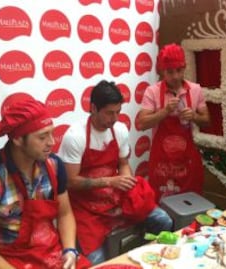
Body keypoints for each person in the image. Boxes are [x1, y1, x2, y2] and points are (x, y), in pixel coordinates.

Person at [0, 98, 89, 269]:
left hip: (48, 249)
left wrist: (70, 250)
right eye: (42, 137)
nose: (52, 142)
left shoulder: (54, 165)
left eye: (52, 133)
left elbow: (65, 214)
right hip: (5, 259)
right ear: (18, 140)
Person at [58, 80, 173, 265]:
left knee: (163, 221)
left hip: (115, 198)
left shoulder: (119, 130)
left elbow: (123, 163)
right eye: (109, 113)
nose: (114, 118)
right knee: (98, 261)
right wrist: (109, 182)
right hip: (86, 207)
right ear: (94, 108)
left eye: (118, 112)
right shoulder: (75, 136)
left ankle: (142, 260)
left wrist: (126, 179)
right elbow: (69, 182)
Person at [137, 43, 210, 202]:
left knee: (190, 204)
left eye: (179, 70)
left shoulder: (195, 89)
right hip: (161, 164)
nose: (175, 76)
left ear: (184, 68)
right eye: (170, 72)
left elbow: (207, 121)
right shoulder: (153, 92)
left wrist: (194, 117)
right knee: (161, 205)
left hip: (187, 161)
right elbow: (142, 123)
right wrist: (164, 112)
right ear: (162, 71)